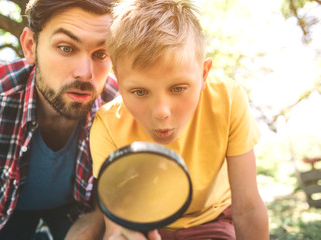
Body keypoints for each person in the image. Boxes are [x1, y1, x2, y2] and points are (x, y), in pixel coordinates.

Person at [90, 0, 269, 239]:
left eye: (178, 88)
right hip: (148, 222)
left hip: (212, 218)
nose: (161, 112)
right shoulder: (107, 125)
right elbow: (118, 224)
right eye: (140, 92)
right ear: (119, 82)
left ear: (204, 73)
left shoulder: (227, 97)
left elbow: (246, 208)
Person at [0, 0, 119, 239]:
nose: (86, 73)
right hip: (2, 211)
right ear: (30, 46)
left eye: (101, 53)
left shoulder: (121, 109)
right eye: (66, 48)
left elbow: (116, 201)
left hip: (77, 211)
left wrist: (97, 220)